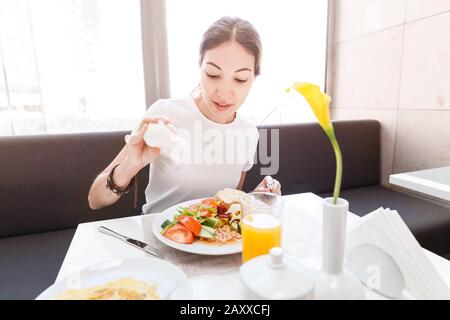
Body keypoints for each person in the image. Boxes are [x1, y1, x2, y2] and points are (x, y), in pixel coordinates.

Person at [88, 16, 281, 214]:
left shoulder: (247, 131)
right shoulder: (165, 114)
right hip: (157, 240)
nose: (224, 93)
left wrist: (252, 199)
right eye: (213, 74)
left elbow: (224, 208)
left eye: (240, 79)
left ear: (254, 78)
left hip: (212, 244)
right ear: (200, 68)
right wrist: (129, 166)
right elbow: (95, 200)